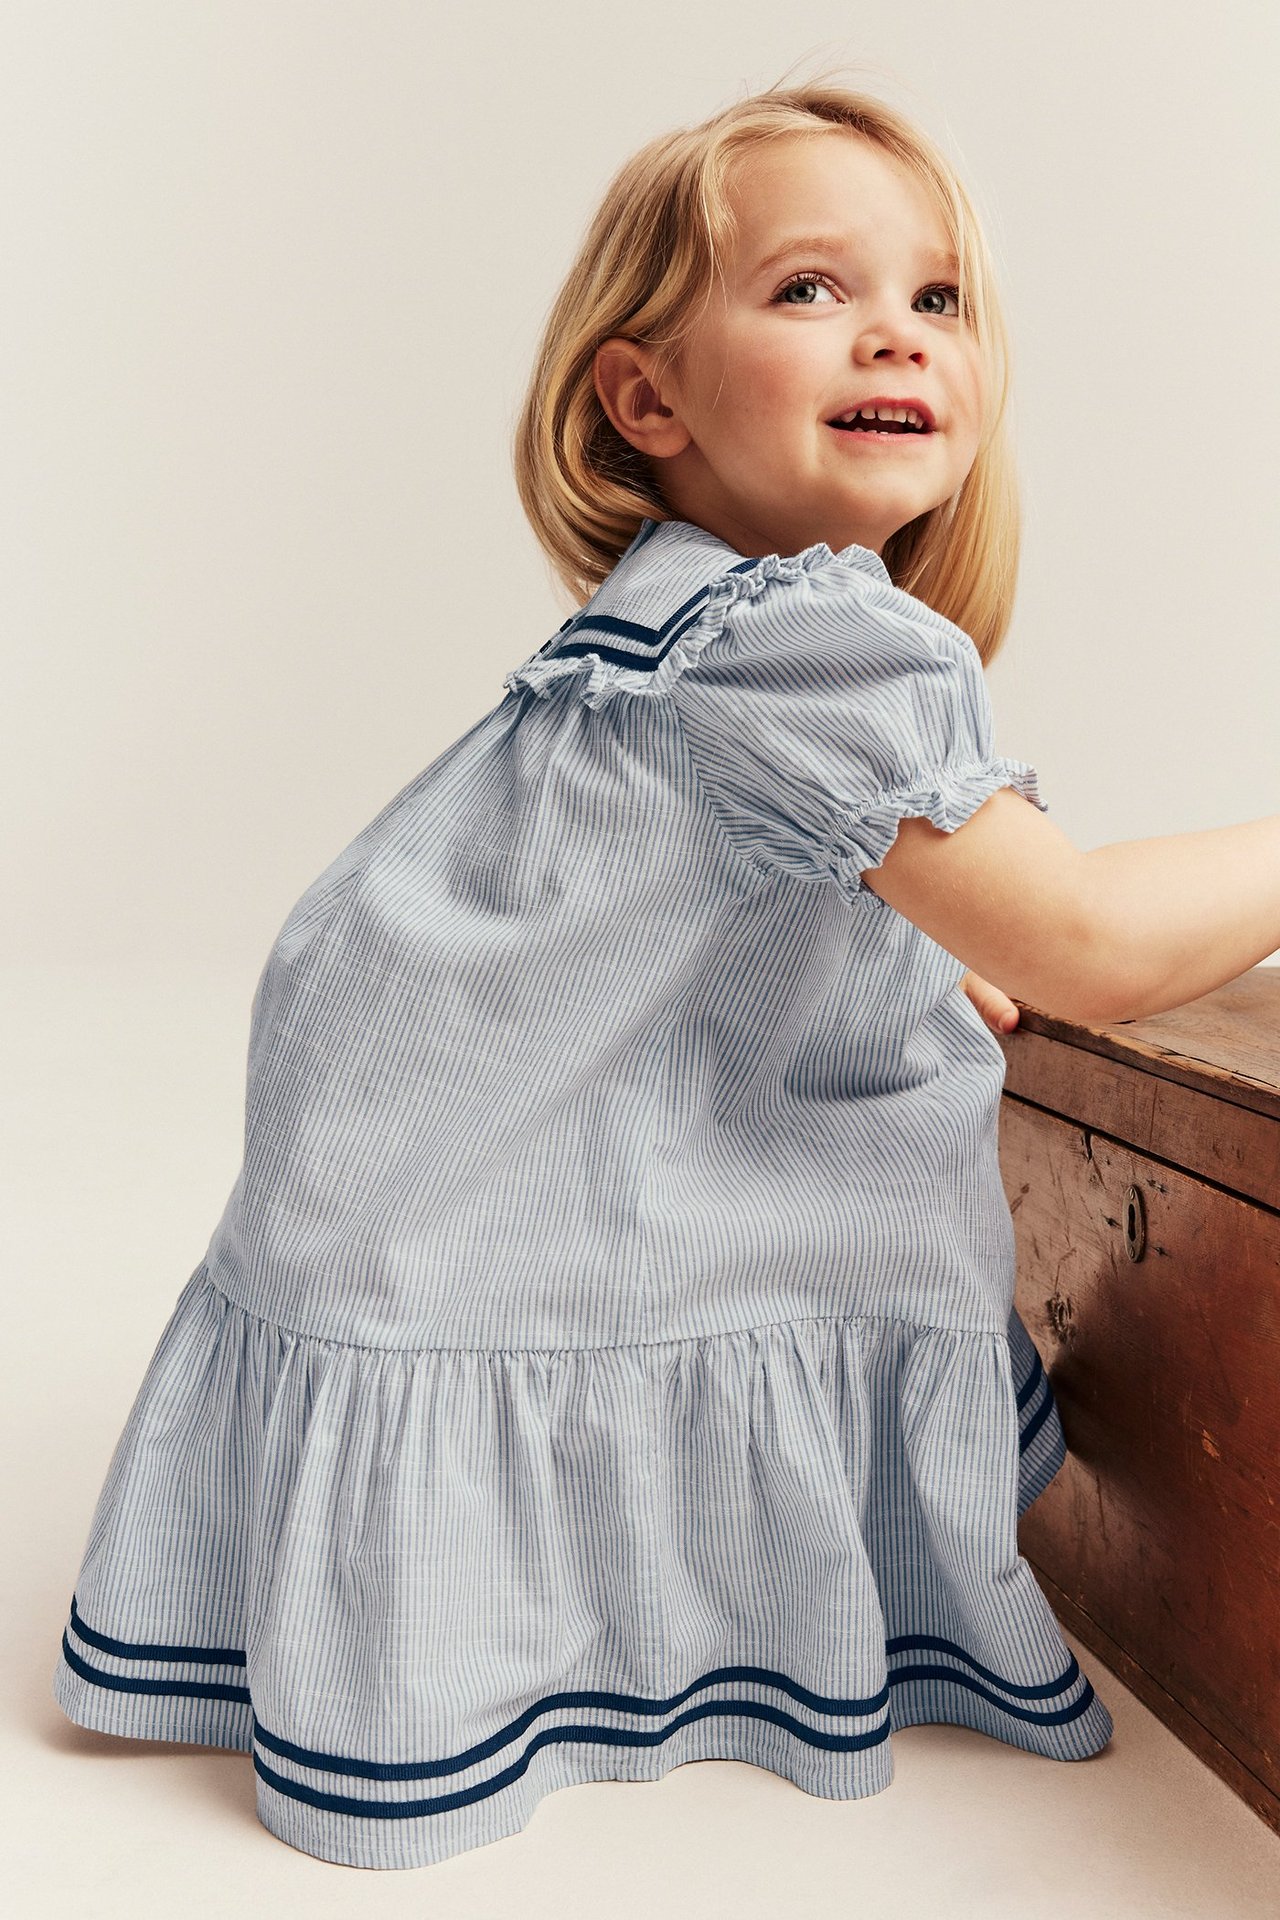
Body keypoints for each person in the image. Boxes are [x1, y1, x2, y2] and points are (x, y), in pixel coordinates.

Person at [51, 78, 1280, 1874]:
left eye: (938, 300)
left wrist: (905, 956)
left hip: (382, 1200)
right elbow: (1086, 937)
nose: (894, 333)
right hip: (469, 1218)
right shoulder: (802, 638)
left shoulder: (692, 616)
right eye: (809, 290)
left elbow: (717, 923)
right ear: (643, 395)